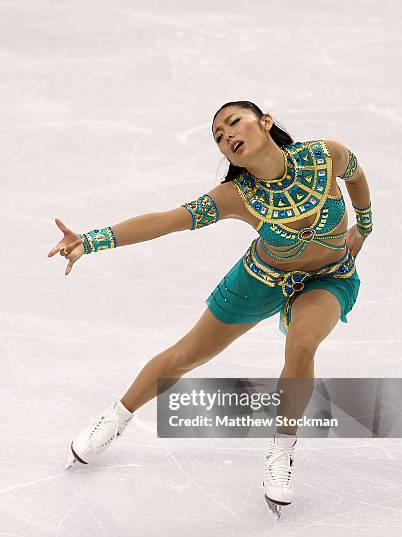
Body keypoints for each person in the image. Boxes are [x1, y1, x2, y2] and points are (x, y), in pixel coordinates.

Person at [48, 100, 372, 515]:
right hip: (259, 280)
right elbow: (166, 220)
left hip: (329, 278)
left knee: (302, 344)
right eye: (218, 137)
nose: (227, 136)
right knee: (186, 355)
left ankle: (281, 452)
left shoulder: (325, 156)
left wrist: (364, 225)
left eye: (233, 122)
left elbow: (357, 175)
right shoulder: (237, 195)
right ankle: (115, 417)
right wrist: (90, 241)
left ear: (265, 122)